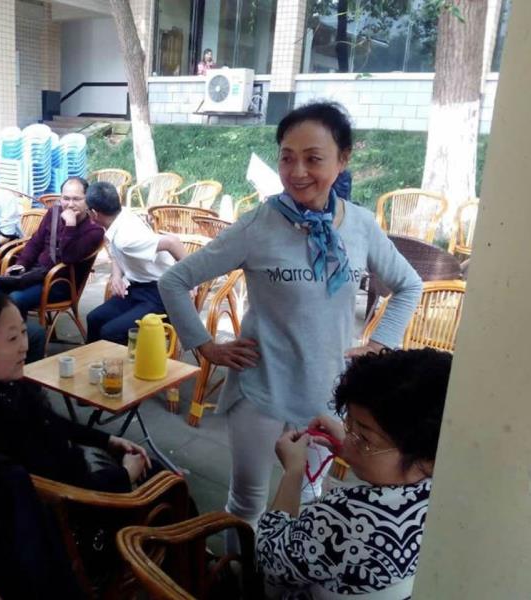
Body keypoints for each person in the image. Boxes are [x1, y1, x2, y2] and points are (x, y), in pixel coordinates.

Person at [158, 101, 422, 545]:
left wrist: (381, 344)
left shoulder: (360, 225)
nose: (297, 172)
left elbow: (409, 284)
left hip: (328, 396)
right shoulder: (257, 225)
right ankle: (242, 573)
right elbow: (174, 280)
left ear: (343, 159)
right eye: (287, 157)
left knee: (309, 499)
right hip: (262, 392)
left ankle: (288, 574)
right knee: (247, 502)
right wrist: (205, 345)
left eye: (313, 158)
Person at [256, 348, 451, 599]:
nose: (348, 440)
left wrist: (293, 472)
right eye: (349, 425)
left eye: (364, 438)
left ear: (425, 457)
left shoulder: (346, 517)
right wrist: (354, 444)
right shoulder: (441, 495)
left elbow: (268, 559)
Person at [0, 290, 151, 492]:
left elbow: (49, 420)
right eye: (12, 338)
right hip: (86, 502)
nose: (24, 346)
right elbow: (72, 490)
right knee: (157, 475)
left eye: (23, 332)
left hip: (77, 476)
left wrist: (107, 440)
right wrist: (126, 474)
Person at [86, 181, 187, 344]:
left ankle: (123, 361)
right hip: (138, 289)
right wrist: (117, 276)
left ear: (94, 213)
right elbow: (115, 250)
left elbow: (172, 242)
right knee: (94, 319)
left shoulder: (127, 238)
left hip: (162, 295)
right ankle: (94, 360)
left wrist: (191, 278)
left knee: (110, 333)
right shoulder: (120, 215)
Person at [0, 176, 103, 317]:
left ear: (87, 201)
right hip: (35, 273)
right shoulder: (54, 213)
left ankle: (16, 330)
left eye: (76, 199)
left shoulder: (94, 230)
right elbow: (36, 241)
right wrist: (22, 264)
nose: (70, 204)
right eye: (66, 198)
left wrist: (70, 225)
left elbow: (68, 257)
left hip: (61, 282)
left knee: (15, 299)